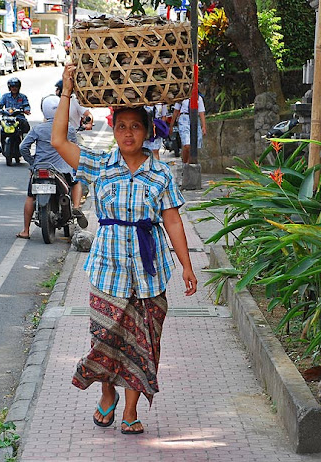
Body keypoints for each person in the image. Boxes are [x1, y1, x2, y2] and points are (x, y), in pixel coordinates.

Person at [51, 64, 197, 435]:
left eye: (135, 126)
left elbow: (174, 222)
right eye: (121, 126)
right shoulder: (100, 165)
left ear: (147, 132)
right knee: (107, 340)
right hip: (108, 271)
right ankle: (107, 394)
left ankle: (131, 409)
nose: (127, 133)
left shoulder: (160, 175)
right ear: (113, 130)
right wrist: (67, 92)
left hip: (150, 274)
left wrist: (187, 266)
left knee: (144, 342)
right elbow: (58, 143)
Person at [17, 95, 87, 239]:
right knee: (77, 181)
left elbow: (23, 147)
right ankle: (75, 208)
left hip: (40, 168)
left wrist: (32, 163)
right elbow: (74, 147)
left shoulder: (38, 129)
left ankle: (25, 230)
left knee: (30, 196)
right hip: (63, 170)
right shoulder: (68, 129)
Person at [0, 77, 31, 153]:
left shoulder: (23, 97)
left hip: (18, 117)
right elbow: (0, 104)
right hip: (7, 117)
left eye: (16, 87)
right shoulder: (5, 96)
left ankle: (25, 143)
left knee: (25, 124)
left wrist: (26, 110)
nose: (14, 88)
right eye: (12, 87)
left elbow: (26, 105)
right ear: (9, 87)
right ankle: (1, 144)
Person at [168, 94, 207, 164]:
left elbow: (201, 112)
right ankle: (185, 163)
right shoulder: (181, 97)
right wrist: (171, 125)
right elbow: (176, 111)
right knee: (187, 145)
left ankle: (188, 164)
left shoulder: (198, 98)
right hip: (184, 119)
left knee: (194, 145)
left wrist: (203, 126)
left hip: (194, 119)